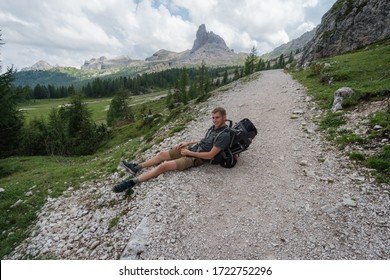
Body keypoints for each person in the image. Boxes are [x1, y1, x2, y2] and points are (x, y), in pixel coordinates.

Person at [112, 107, 231, 193]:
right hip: (192, 149)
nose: (214, 120)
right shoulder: (213, 128)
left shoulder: (224, 135)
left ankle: (132, 182)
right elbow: (205, 141)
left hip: (197, 158)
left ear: (224, 117)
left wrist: (189, 153)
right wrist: (188, 143)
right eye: (213, 118)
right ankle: (136, 167)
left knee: (163, 166)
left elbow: (210, 155)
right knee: (162, 154)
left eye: (217, 118)